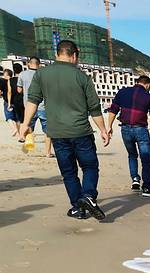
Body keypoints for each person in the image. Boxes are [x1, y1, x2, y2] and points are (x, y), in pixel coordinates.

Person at [20, 40, 110, 220]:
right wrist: (103, 130)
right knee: (90, 166)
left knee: (69, 172)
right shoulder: (82, 77)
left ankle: (78, 208)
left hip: (57, 133)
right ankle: (88, 195)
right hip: (81, 132)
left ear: (57, 54)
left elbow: (33, 100)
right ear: (74, 55)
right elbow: (94, 108)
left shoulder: (41, 74)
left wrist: (25, 124)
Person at [107, 75, 150, 197]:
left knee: (132, 155)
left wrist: (109, 126)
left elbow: (113, 110)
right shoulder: (149, 97)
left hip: (125, 129)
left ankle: (135, 179)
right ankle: (146, 187)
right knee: (146, 159)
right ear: (147, 85)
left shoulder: (122, 92)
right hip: (141, 130)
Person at [17, 57, 53, 157]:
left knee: (28, 127)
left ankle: (27, 149)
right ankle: (47, 152)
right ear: (39, 64)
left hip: (29, 105)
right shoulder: (44, 75)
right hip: (43, 106)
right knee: (47, 131)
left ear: (29, 64)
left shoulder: (22, 74)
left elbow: (19, 90)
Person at [1, 68, 18, 135]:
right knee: (17, 118)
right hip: (16, 101)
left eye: (4, 74)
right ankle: (19, 132)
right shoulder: (15, 80)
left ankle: (14, 129)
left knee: (9, 117)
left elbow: (7, 92)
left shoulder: (3, 81)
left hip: (7, 102)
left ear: (6, 75)